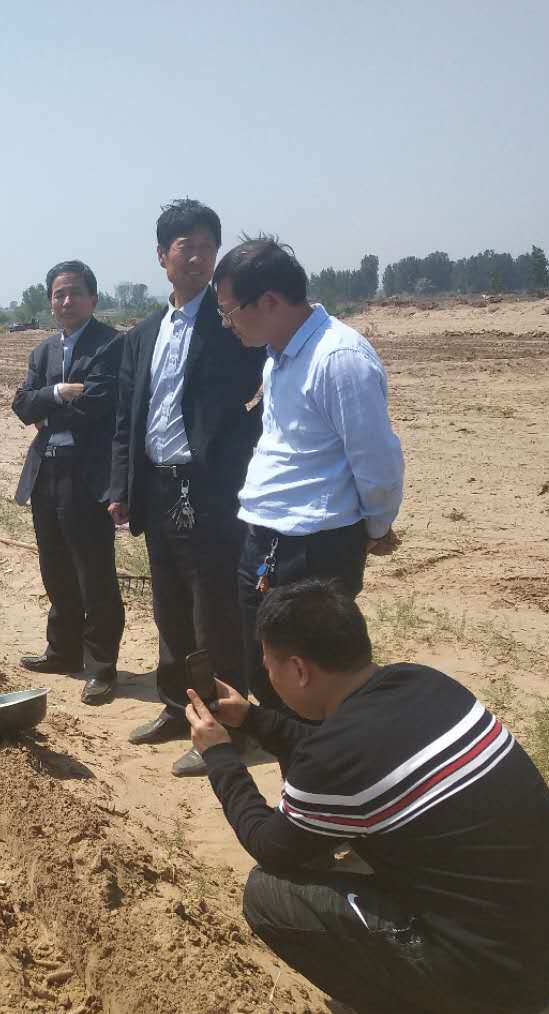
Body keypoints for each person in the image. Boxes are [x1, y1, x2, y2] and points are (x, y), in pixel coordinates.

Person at [184, 579, 549, 1014]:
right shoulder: (423, 683)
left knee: (269, 896)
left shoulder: (334, 758)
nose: (266, 673)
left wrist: (220, 756)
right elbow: (338, 748)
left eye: (268, 663)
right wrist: (252, 719)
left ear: (298, 669)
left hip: (506, 978)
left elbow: (271, 845)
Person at [105, 200, 265, 777]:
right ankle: (178, 709)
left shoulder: (231, 327)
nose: (197, 257)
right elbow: (127, 417)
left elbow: (264, 395)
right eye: (185, 247)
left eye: (206, 246)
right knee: (170, 608)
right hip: (158, 487)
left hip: (210, 490)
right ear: (161, 256)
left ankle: (226, 729)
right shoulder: (144, 334)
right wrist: (122, 486)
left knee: (214, 613)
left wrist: (234, 455)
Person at [213, 237, 404, 710]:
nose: (226, 323)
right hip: (264, 540)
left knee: (314, 687)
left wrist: (374, 529)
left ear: (269, 301)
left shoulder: (339, 359)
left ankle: (322, 757)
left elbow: (376, 460)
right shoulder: (278, 357)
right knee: (267, 675)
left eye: (229, 311)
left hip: (314, 549)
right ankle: (286, 756)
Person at [12, 260, 123, 705]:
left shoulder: (111, 345)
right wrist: (58, 393)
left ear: (93, 298)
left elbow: (97, 405)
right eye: (58, 294)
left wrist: (45, 409)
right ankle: (63, 651)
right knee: (55, 566)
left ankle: (102, 666)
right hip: (47, 471)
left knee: (94, 572)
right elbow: (22, 405)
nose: (66, 301)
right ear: (50, 302)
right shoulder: (42, 352)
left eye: (75, 292)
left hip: (86, 474)